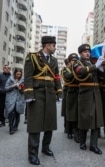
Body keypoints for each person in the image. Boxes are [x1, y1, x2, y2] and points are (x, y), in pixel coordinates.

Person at [24, 36, 62, 165]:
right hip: (37, 94)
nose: (55, 48)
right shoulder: (33, 57)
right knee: (35, 125)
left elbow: (56, 77)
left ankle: (46, 148)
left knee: (49, 123)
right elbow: (28, 76)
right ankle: (32, 154)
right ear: (47, 45)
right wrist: (29, 95)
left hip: (50, 94)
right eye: (53, 45)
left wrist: (59, 91)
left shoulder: (55, 60)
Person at [72, 44, 104, 154]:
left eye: (89, 52)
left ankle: (93, 145)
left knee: (96, 119)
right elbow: (80, 71)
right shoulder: (77, 63)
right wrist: (96, 66)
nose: (88, 53)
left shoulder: (92, 63)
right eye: (85, 52)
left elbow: (101, 77)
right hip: (85, 94)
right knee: (85, 118)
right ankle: (82, 142)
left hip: (96, 92)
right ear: (80, 53)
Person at [63, 53, 81, 142]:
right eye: (73, 60)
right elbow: (67, 77)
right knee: (70, 113)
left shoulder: (79, 68)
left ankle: (76, 132)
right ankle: (69, 131)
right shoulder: (66, 70)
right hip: (70, 92)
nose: (75, 62)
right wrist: (76, 71)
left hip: (79, 91)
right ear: (69, 62)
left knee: (77, 113)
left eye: (76, 60)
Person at [5, 68, 25, 135]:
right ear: (14, 73)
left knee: (17, 113)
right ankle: (11, 129)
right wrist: (13, 86)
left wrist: (21, 89)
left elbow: (25, 90)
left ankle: (15, 126)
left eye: (20, 74)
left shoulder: (23, 80)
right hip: (11, 99)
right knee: (11, 113)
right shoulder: (10, 79)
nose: (18, 75)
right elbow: (6, 88)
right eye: (17, 74)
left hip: (19, 99)